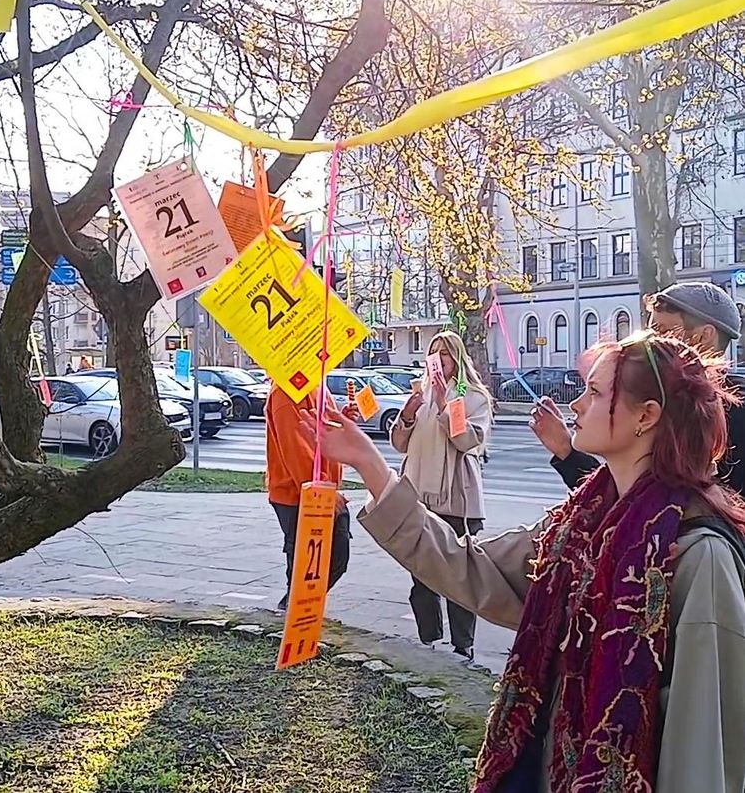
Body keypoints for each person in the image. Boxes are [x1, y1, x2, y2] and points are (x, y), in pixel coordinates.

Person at [299, 331, 745, 792]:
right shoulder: (579, 524)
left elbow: (704, 756)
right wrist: (370, 464)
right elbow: (471, 568)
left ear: (645, 416)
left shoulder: (697, 552)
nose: (576, 406)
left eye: (593, 393)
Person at [532, 281, 745, 494]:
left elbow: (649, 502)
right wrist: (566, 451)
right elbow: (629, 496)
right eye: (650, 333)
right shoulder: (663, 397)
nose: (651, 342)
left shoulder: (732, 411)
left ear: (704, 335)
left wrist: (568, 452)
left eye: (662, 332)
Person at [391, 330, 493, 660]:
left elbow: (467, 440)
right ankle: (428, 641)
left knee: (458, 578)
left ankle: (463, 646)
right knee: (421, 576)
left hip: (456, 500)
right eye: (433, 353)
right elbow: (399, 444)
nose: (437, 360)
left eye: (444, 354)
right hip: (418, 497)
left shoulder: (473, 397)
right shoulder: (420, 395)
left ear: (458, 359)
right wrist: (407, 414)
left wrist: (446, 405)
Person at [265, 383, 351, 611]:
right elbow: (295, 449)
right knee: (309, 567)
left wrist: (342, 421)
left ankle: (300, 612)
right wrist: (324, 491)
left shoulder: (316, 382)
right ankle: (294, 616)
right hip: (298, 495)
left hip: (321, 489)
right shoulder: (286, 391)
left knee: (334, 560)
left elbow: (319, 429)